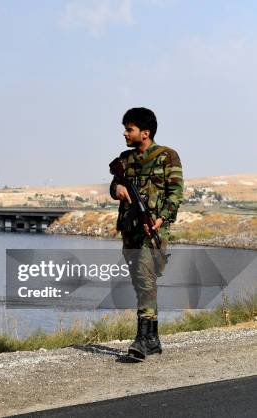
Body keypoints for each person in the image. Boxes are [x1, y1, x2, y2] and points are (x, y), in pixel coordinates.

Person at [109, 107, 184, 359]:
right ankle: (152, 339)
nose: (124, 133)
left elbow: (175, 194)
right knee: (140, 282)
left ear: (145, 132)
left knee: (145, 278)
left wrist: (161, 219)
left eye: (129, 129)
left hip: (153, 229)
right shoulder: (125, 160)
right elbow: (113, 185)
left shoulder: (167, 157)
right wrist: (118, 186)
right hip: (130, 229)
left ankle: (142, 339)